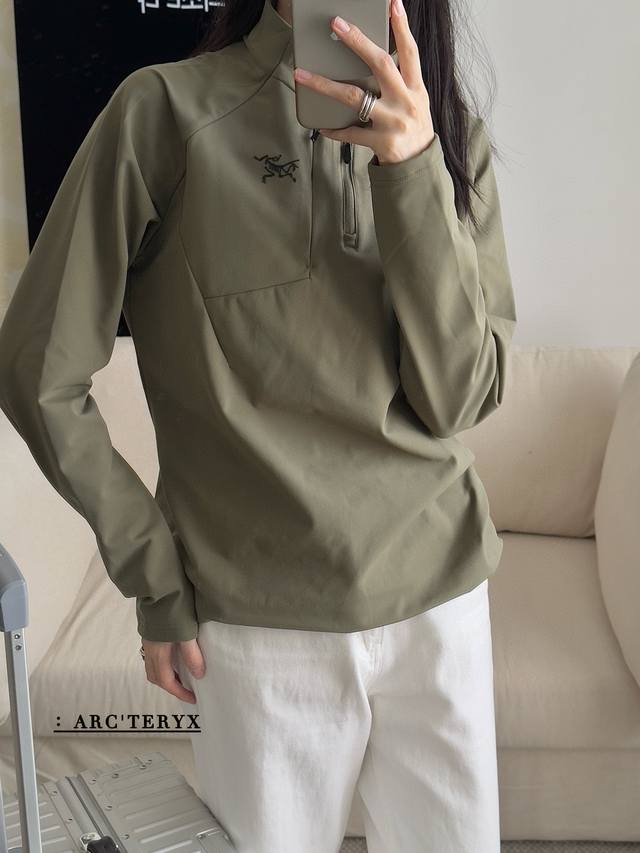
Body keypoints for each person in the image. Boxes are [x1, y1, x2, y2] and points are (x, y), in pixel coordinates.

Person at [0, 0, 517, 850]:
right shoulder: (164, 114)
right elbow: (37, 368)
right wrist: (155, 575)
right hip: (257, 630)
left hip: (443, 601)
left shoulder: (452, 139)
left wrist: (414, 167)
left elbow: (462, 399)